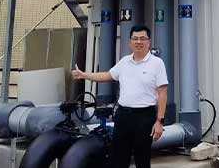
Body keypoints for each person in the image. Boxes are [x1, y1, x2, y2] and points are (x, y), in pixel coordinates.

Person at [72, 24, 168, 168]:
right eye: (135, 39)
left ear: (148, 42)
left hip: (144, 117)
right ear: (130, 42)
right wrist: (85, 75)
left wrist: (159, 121)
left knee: (142, 159)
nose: (139, 42)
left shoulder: (157, 64)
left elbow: (162, 93)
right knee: (118, 158)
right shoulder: (125, 62)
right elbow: (107, 75)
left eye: (142, 39)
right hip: (123, 115)